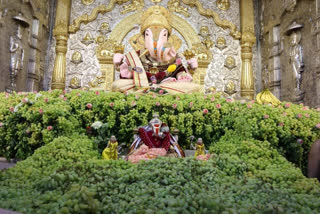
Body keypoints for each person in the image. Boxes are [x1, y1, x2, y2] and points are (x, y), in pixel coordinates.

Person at [112, 5, 199, 94]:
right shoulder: (136, 56)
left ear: (168, 39)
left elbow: (181, 75)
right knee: (117, 85)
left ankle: (158, 89)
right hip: (142, 86)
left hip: (167, 85)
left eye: (163, 35)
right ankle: (157, 90)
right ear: (143, 39)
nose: (155, 41)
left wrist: (188, 72)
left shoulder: (173, 57)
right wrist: (120, 64)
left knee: (193, 87)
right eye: (148, 35)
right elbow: (127, 74)